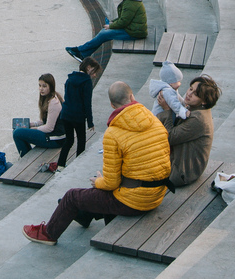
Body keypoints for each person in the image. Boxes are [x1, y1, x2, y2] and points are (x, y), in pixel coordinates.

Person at [22, 80, 170, 246]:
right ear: (132, 96)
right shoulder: (155, 122)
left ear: (112, 105)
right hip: (157, 194)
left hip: (135, 202)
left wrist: (99, 181)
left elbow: (111, 182)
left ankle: (48, 233)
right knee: (100, 186)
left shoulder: (113, 133)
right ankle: (84, 215)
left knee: (72, 196)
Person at [156, 75, 221, 188]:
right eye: (190, 89)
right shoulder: (195, 108)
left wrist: (167, 110)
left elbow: (169, 137)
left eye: (196, 94)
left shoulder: (198, 119)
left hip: (182, 173)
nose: (189, 94)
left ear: (204, 101)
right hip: (182, 164)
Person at [66, 0, 146, 59]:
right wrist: (112, 22)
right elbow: (123, 18)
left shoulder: (130, 3)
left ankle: (80, 50)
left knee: (104, 34)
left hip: (135, 32)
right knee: (104, 32)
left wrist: (110, 26)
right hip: (132, 28)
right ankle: (83, 53)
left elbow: (124, 22)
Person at [53, 57, 100, 169]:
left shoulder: (70, 79)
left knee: (69, 140)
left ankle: (60, 165)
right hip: (78, 117)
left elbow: (67, 97)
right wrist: (90, 122)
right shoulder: (86, 81)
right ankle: (77, 166)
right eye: (94, 72)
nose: (94, 75)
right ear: (89, 68)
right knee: (81, 141)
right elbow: (87, 103)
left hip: (66, 114)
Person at [12, 74, 64, 157]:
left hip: (56, 139)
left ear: (51, 86)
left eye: (44, 86)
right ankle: (27, 156)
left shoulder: (54, 102)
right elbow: (44, 121)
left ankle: (26, 159)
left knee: (17, 133)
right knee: (18, 130)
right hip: (52, 135)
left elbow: (49, 128)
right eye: (39, 85)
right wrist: (29, 124)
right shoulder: (47, 97)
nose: (41, 89)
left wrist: (32, 129)